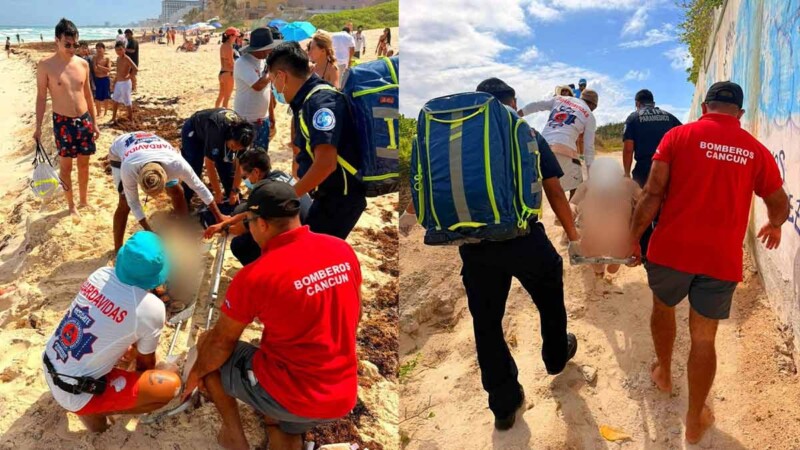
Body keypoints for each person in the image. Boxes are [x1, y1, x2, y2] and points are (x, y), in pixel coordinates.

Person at [400, 78, 580, 431]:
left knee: (486, 324)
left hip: (474, 246)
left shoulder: (452, 137)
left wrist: (409, 215)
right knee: (549, 298)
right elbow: (555, 191)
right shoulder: (523, 131)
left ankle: (503, 403)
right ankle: (556, 356)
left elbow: (427, 180)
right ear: (510, 103)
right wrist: (573, 237)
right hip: (525, 238)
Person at [628, 81, 790, 444]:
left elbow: (653, 193)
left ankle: (665, 373)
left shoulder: (676, 138)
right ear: (740, 114)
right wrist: (775, 225)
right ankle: (694, 416)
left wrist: (634, 238)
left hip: (671, 251)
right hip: (720, 258)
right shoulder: (755, 150)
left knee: (663, 306)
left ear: (705, 107)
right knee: (704, 338)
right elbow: (778, 201)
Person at [184, 181, 362, 450]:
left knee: (206, 345)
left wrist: (196, 371)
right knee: (278, 418)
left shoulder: (256, 276)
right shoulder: (341, 249)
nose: (248, 228)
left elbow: (221, 343)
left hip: (295, 396)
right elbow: (355, 317)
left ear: (262, 225)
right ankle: (281, 426)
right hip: (342, 396)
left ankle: (233, 435)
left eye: (250, 221)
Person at [41, 231, 182, 432]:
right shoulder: (150, 308)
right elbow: (145, 365)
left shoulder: (99, 274)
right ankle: (95, 411)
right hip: (77, 391)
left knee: (122, 344)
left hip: (51, 362)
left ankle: (94, 413)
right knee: (169, 382)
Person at [268, 42, 367, 239]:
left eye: (272, 80)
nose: (274, 88)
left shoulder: (321, 103)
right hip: (327, 194)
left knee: (314, 254)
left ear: (281, 76)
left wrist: (288, 197)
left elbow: (326, 164)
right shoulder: (306, 99)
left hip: (340, 199)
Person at [109, 132, 227, 252]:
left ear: (166, 175)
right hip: (121, 148)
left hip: (157, 149)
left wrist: (219, 217)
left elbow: (200, 188)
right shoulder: (129, 168)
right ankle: (118, 249)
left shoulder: (177, 165)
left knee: (177, 191)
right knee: (124, 202)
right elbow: (133, 202)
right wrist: (150, 232)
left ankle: (184, 226)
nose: (156, 196)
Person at [34, 18, 100, 219]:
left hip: (84, 120)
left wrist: (95, 123)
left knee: (84, 164)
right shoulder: (46, 65)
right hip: (63, 122)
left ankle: (84, 200)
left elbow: (88, 95)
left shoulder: (83, 64)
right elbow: (40, 97)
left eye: (75, 44)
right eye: (67, 44)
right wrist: (37, 127)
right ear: (57, 41)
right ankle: (71, 205)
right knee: (66, 166)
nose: (72, 48)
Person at [204, 149, 311, 266]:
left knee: (239, 245)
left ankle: (267, 269)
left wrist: (225, 228)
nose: (245, 181)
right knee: (243, 210)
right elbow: (248, 212)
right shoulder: (280, 175)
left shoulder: (264, 190)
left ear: (255, 172)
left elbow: (240, 228)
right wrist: (224, 223)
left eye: (245, 177)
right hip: (309, 226)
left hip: (295, 240)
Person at [622, 89, 682, 260]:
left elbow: (628, 148)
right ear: (653, 103)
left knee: (643, 206)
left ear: (637, 104)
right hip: (668, 168)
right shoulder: (669, 117)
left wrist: (626, 173)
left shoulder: (633, 118)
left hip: (644, 169)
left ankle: (645, 251)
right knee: (667, 207)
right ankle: (667, 250)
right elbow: (683, 139)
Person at [571, 157, 640, 288]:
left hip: (593, 236)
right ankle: (615, 262)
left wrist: (573, 213)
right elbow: (644, 201)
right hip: (621, 236)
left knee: (590, 247)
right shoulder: (629, 184)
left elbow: (571, 205)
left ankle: (599, 272)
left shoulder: (587, 184)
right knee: (620, 244)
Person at [519, 89, 599, 198]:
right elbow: (589, 147)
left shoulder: (560, 98)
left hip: (541, 145)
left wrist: (517, 114)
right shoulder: (589, 116)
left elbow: (537, 105)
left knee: (544, 184)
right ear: (593, 105)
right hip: (562, 149)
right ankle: (569, 214)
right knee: (577, 188)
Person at [231, 27, 279, 202]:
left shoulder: (263, 62)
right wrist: (271, 73)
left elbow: (269, 91)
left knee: (260, 158)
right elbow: (258, 85)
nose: (270, 51)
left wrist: (272, 116)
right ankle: (235, 191)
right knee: (242, 159)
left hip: (262, 119)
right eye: (268, 49)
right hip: (245, 121)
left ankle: (257, 192)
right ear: (259, 49)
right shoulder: (243, 63)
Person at [181, 108, 255, 207]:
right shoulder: (217, 134)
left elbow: (239, 167)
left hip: (215, 134)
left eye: (238, 149)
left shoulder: (244, 139)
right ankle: (185, 200)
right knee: (194, 168)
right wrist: (217, 192)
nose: (234, 150)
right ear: (229, 136)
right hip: (194, 130)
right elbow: (209, 163)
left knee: (226, 168)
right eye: (233, 146)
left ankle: (229, 194)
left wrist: (235, 190)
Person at [111, 41, 137, 125]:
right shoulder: (118, 59)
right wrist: (114, 82)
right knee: (115, 100)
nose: (119, 51)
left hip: (125, 84)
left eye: (120, 49)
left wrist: (129, 76)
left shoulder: (127, 58)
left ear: (124, 49)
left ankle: (131, 120)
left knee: (127, 102)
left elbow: (135, 68)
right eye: (117, 50)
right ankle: (113, 118)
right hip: (118, 83)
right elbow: (118, 72)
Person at [216, 28, 238, 109]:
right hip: (229, 74)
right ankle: (224, 116)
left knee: (220, 96)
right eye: (235, 36)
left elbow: (223, 61)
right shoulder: (229, 47)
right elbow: (231, 62)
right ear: (230, 36)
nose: (236, 38)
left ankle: (215, 112)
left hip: (222, 73)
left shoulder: (222, 46)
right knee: (227, 97)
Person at [92, 43, 111, 116]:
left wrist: (99, 66)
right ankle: (98, 112)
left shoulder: (107, 58)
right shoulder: (95, 58)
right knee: (97, 97)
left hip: (105, 79)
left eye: (100, 48)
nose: (99, 50)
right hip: (98, 79)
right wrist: (104, 69)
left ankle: (105, 112)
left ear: (104, 49)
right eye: (97, 48)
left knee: (106, 96)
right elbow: (95, 70)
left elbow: (109, 69)